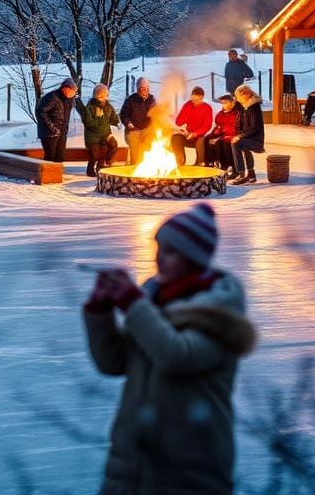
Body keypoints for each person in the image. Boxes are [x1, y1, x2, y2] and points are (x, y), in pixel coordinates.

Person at [83, 203, 256, 494]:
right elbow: (113, 362)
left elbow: (176, 355)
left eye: (171, 251)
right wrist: (99, 310)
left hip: (189, 468)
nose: (159, 259)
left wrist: (133, 303)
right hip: (130, 466)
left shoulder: (219, 314)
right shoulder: (155, 299)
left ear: (194, 258)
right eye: (159, 248)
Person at [76, 83, 120, 177]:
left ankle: (102, 166)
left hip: (105, 134)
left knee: (112, 145)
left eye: (105, 96)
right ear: (97, 96)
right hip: (92, 136)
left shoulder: (108, 106)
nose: (104, 98)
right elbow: (89, 122)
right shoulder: (90, 106)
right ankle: (90, 169)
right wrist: (100, 126)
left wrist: (117, 121)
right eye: (102, 96)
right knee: (95, 154)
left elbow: (113, 117)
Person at [35, 77, 77, 163]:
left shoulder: (69, 100)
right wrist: (52, 127)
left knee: (60, 157)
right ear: (65, 88)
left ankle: (57, 175)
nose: (74, 93)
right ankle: (48, 175)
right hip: (49, 133)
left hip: (62, 132)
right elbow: (40, 111)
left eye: (75, 91)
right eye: (72, 91)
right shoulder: (52, 97)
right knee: (50, 157)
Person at [229, 84, 265, 185]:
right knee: (239, 143)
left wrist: (239, 136)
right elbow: (239, 122)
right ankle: (251, 174)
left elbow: (255, 127)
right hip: (248, 137)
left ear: (246, 95)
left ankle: (241, 174)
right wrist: (237, 134)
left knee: (236, 144)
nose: (238, 99)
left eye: (239, 96)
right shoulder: (243, 106)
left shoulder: (254, 107)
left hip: (256, 140)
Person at [170, 86, 213, 166]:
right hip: (188, 134)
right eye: (193, 100)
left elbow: (207, 126)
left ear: (202, 98)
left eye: (196, 100)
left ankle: (200, 163)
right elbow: (178, 121)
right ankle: (180, 162)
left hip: (199, 136)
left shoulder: (207, 108)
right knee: (176, 138)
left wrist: (194, 134)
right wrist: (183, 127)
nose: (194, 102)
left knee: (201, 140)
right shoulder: (188, 105)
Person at [120, 77, 156, 165]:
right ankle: (134, 165)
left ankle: (146, 165)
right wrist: (128, 123)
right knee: (134, 144)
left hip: (147, 129)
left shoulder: (151, 99)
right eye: (141, 89)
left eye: (146, 89)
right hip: (133, 130)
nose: (144, 91)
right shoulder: (130, 100)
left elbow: (155, 115)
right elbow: (123, 114)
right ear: (138, 89)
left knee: (148, 143)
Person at [206, 94, 241, 176]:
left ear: (232, 103)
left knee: (224, 143)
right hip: (223, 135)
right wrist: (215, 133)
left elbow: (236, 127)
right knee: (208, 139)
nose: (223, 105)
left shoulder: (236, 113)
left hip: (234, 135)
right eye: (222, 103)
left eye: (225, 103)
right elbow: (218, 125)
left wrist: (222, 131)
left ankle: (234, 167)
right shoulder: (221, 114)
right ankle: (215, 163)